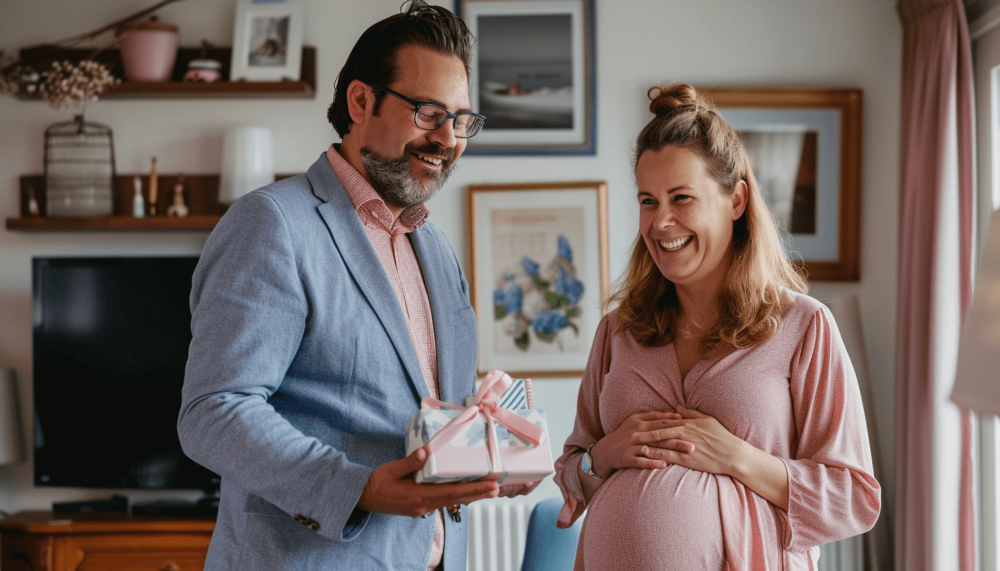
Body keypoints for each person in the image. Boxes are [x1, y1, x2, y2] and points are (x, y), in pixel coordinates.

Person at [178, 3, 536, 569]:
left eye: (462, 120)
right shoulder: (272, 223)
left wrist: (490, 456)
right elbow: (213, 411)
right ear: (360, 101)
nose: (448, 138)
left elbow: (420, 415)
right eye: (428, 112)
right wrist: (358, 488)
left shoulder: (437, 251)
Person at [553, 84, 881, 570]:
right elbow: (572, 470)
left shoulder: (804, 327)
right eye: (648, 201)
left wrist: (736, 457)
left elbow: (854, 497)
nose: (660, 222)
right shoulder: (617, 330)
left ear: (736, 200)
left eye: (680, 198)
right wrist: (601, 456)